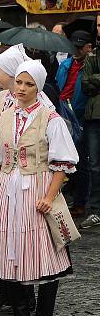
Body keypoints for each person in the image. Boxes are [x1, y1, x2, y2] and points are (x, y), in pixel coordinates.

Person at [0, 60, 78, 316]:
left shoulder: (51, 119)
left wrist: (49, 197)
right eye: (19, 83)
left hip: (37, 188)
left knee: (44, 256)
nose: (21, 88)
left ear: (38, 87)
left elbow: (62, 162)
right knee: (9, 255)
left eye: (29, 84)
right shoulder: (3, 117)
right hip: (6, 189)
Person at [0, 45, 43, 313]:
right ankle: (4, 288)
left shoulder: (35, 103)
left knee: (19, 234)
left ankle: (22, 293)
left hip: (24, 177)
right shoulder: (2, 98)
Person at [57, 31, 93, 223]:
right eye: (74, 47)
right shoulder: (65, 65)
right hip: (64, 114)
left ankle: (80, 202)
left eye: (81, 46)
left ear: (89, 47)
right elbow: (59, 86)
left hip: (83, 115)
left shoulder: (89, 66)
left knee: (81, 161)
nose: (77, 50)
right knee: (64, 158)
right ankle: (72, 199)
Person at [80, 35, 100, 228]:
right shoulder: (92, 55)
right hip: (94, 114)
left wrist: (96, 78)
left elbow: (91, 80)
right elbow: (85, 84)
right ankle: (95, 209)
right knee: (93, 164)